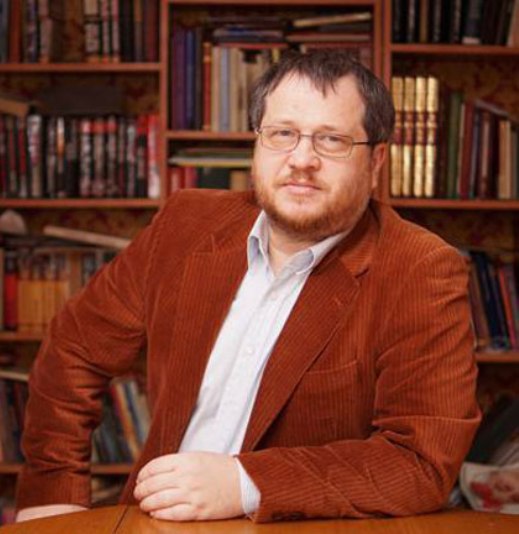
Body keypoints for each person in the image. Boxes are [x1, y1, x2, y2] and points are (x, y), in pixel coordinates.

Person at [16, 49, 480, 523]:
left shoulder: (420, 270)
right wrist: (54, 489)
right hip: (153, 523)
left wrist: (246, 483)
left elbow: (420, 462)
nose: (302, 160)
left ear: (376, 161)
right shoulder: (186, 223)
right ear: (257, 142)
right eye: (282, 134)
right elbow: (74, 347)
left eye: (332, 140)